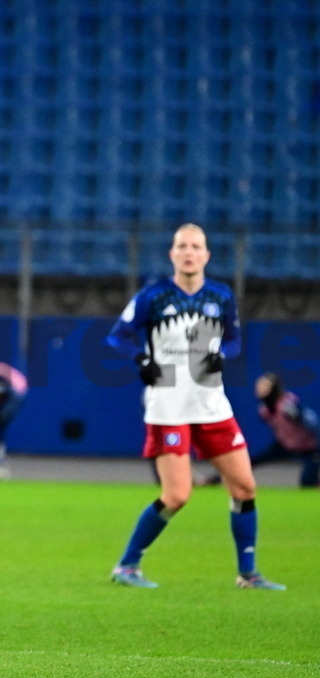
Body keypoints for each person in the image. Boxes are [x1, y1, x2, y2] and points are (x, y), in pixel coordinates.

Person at [106, 223, 285, 590]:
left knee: (245, 488)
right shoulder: (153, 296)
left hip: (210, 404)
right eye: (182, 246)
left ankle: (248, 574)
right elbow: (118, 336)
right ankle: (127, 566)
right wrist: (141, 358)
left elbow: (234, 341)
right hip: (168, 405)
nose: (189, 252)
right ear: (172, 254)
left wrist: (223, 354)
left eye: (196, 246)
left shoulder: (220, 296)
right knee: (177, 495)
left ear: (206, 255)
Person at [198, 373, 319, 488]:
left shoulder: (287, 406)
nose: (259, 388)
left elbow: (312, 424)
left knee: (307, 482)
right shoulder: (264, 410)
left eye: (264, 385)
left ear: (273, 388)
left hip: (310, 448)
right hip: (285, 446)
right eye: (259, 385)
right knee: (249, 462)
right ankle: (214, 480)